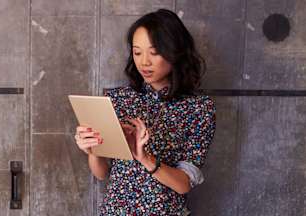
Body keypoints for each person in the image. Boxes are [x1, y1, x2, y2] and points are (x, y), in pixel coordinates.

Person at [74, 9, 216, 215]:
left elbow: (184, 184)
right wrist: (92, 151)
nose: (144, 62)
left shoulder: (199, 108)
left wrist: (144, 158)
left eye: (154, 52)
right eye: (137, 52)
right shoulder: (118, 99)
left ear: (175, 51)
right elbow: (102, 173)